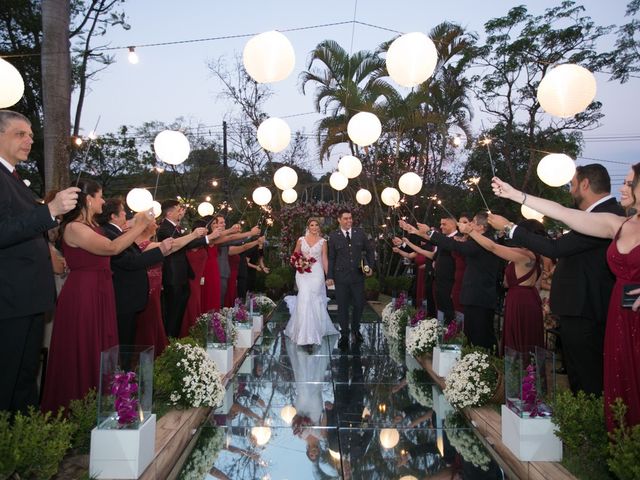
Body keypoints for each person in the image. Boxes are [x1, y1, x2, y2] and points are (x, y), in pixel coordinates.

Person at [492, 166, 640, 431]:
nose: (621, 188)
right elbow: (562, 213)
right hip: (616, 313)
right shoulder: (618, 224)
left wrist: (511, 227)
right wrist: (516, 195)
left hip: (600, 311)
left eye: (629, 183)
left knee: (604, 380)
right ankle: (604, 439)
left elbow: (556, 247)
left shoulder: (612, 214)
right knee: (612, 381)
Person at [41, 179, 153, 412]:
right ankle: (78, 404)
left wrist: (137, 225)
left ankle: (101, 402)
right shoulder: (74, 228)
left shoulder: (92, 226)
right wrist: (139, 227)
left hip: (100, 291)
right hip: (83, 295)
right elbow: (111, 248)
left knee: (102, 346)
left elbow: (116, 239)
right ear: (88, 199)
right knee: (83, 347)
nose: (103, 200)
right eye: (100, 196)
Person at [0, 110, 79, 413]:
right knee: (7, 381)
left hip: (28, 299)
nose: (29, 139)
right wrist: (48, 212)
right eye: (20, 133)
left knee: (23, 380)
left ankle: (25, 447)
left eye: (31, 134)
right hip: (10, 300)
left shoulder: (15, 180)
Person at [401, 213, 501, 351]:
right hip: (471, 294)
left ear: (481, 227)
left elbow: (454, 246)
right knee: (471, 334)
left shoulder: (484, 243)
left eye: (473, 222)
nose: (469, 224)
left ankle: (486, 364)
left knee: (481, 336)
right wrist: (421, 232)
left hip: (480, 296)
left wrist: (429, 232)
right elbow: (449, 244)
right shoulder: (475, 241)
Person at [458, 218, 546, 354]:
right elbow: (538, 285)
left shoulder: (525, 255)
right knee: (528, 338)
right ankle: (529, 371)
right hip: (531, 299)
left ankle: (520, 371)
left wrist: (470, 231)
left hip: (519, 301)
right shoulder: (536, 256)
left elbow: (493, 247)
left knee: (519, 339)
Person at [96, 198, 172, 346]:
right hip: (123, 296)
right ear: (113, 216)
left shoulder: (117, 232)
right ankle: (122, 369)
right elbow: (129, 261)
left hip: (129, 297)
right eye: (122, 210)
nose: (126, 213)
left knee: (128, 337)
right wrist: (160, 250)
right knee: (123, 341)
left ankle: (125, 367)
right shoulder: (109, 233)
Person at [157, 200, 215, 338]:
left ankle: (175, 339)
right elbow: (183, 244)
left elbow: (187, 242)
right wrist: (207, 238)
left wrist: (205, 237)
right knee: (173, 313)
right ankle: (170, 341)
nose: (181, 212)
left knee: (179, 312)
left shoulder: (176, 227)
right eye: (178, 210)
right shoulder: (164, 229)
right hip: (173, 277)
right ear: (169, 213)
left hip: (182, 275)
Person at [284, 218, 339, 349]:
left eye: (316, 225)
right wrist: (299, 263)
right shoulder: (301, 240)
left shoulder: (323, 242)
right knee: (304, 297)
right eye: (312, 225)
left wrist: (328, 276)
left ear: (319, 227)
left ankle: (314, 333)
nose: (314, 227)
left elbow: (324, 259)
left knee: (313, 299)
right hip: (302, 273)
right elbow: (294, 255)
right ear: (308, 226)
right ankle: (302, 333)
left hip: (317, 273)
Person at [327, 209, 375, 350]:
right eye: (346, 218)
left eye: (350, 218)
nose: (349, 221)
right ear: (339, 220)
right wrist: (329, 276)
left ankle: (355, 329)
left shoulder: (359, 233)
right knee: (342, 307)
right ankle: (344, 334)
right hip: (341, 278)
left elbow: (370, 250)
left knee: (359, 305)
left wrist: (370, 266)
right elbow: (331, 257)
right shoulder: (334, 236)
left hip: (358, 277)